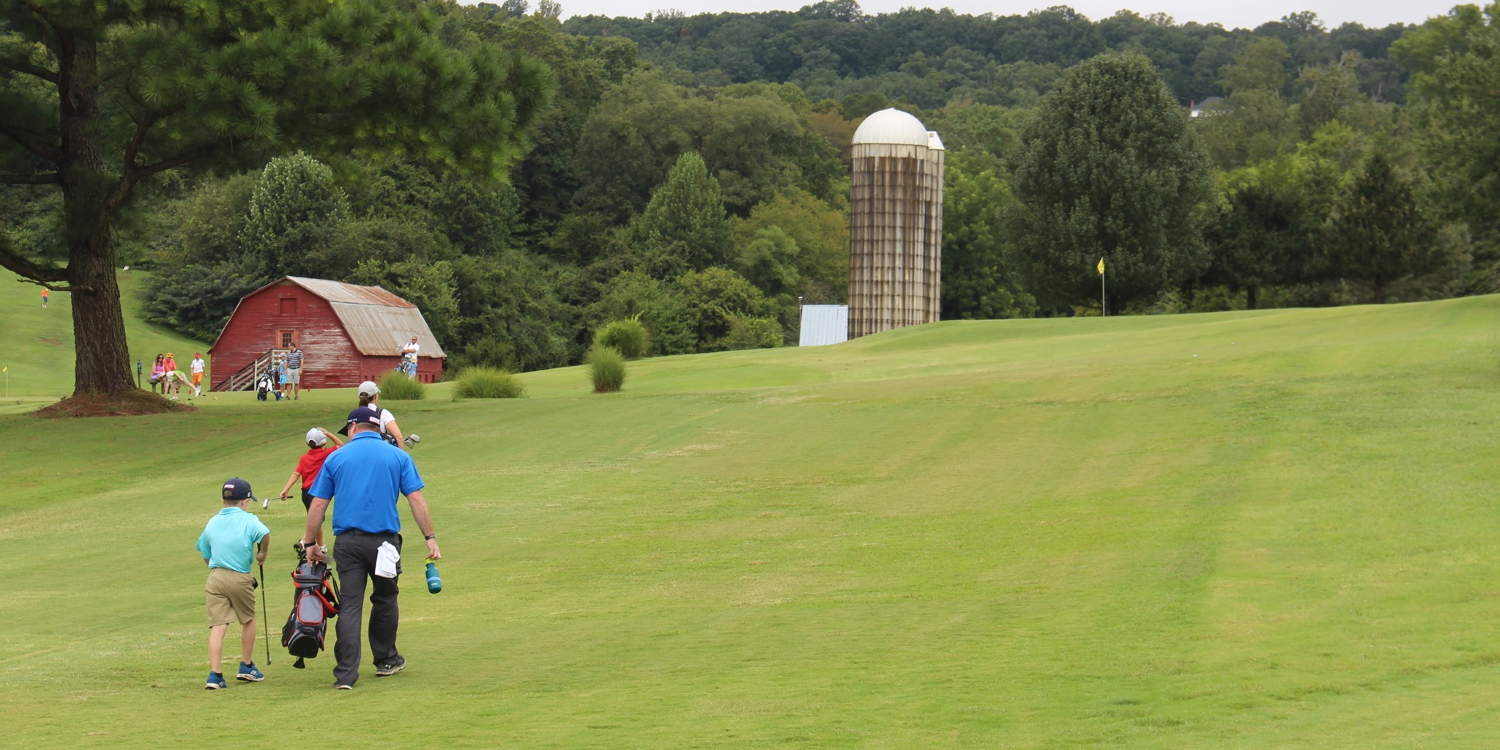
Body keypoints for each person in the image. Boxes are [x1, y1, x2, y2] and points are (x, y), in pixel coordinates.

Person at [302, 408, 442, 689]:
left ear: (354, 427)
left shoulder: (337, 457)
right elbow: (415, 497)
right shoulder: (399, 456)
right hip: (385, 543)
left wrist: (309, 543)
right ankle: (386, 660)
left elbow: (318, 503)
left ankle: (345, 674)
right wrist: (429, 536)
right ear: (378, 428)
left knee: (351, 604)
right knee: (385, 598)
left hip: (349, 542)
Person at [197, 478, 271, 690]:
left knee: (218, 626)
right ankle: (247, 666)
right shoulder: (248, 519)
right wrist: (262, 553)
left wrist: (213, 566)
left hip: (215, 576)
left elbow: (204, 550)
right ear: (245, 500)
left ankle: (215, 675)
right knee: (248, 619)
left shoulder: (213, 521)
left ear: (223, 499)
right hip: (240, 576)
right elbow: (265, 533)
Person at [278, 427, 344, 547]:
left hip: (306, 493)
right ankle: (304, 541)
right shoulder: (326, 453)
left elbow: (296, 474)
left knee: (315, 519)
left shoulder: (304, 458)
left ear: (307, 443)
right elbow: (340, 444)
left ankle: (321, 545)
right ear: (324, 442)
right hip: (319, 491)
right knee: (316, 520)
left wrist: (285, 489)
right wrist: (328, 433)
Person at [342, 380, 409, 449]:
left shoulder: (354, 415)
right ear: (375, 396)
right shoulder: (383, 414)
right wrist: (401, 455)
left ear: (360, 397)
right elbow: (399, 437)